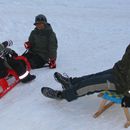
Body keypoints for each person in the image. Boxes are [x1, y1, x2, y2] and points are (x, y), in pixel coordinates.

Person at [41, 44, 130, 108]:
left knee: (89, 85)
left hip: (122, 84)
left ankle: (62, 95)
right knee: (93, 77)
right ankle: (70, 82)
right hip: (119, 72)